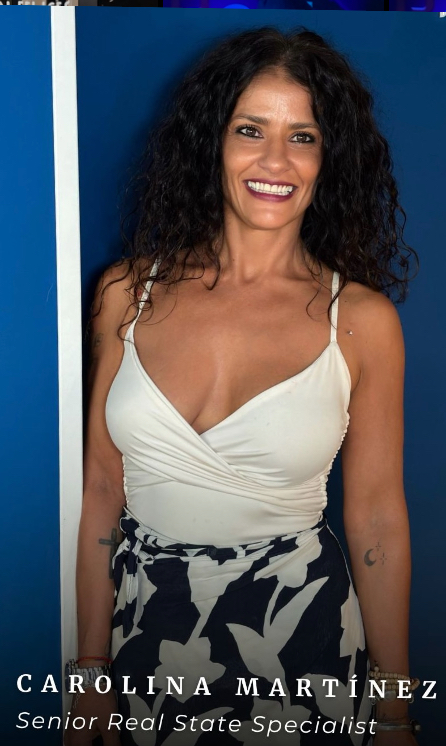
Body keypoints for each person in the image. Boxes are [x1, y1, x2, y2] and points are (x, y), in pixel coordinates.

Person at [64, 26, 419, 746]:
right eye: (250, 129)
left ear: (329, 158)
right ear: (213, 143)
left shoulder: (361, 320)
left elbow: (378, 521)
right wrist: (91, 668)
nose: (275, 160)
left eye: (303, 137)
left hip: (303, 639)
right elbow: (101, 487)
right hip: (148, 636)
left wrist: (394, 709)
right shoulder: (124, 293)